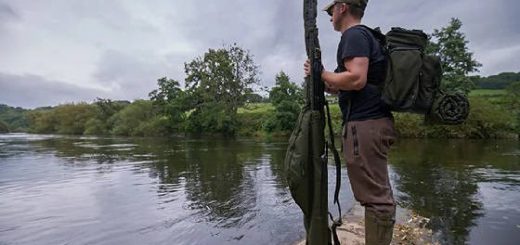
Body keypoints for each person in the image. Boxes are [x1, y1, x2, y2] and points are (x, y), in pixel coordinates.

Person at [303, 0, 397, 244]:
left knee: (376, 200)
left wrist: (320, 72)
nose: (330, 15)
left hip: (366, 124)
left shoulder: (354, 35)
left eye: (331, 9)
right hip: (372, 123)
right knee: (377, 195)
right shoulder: (362, 36)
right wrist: (322, 79)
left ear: (342, 7)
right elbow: (342, 85)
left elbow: (356, 79)